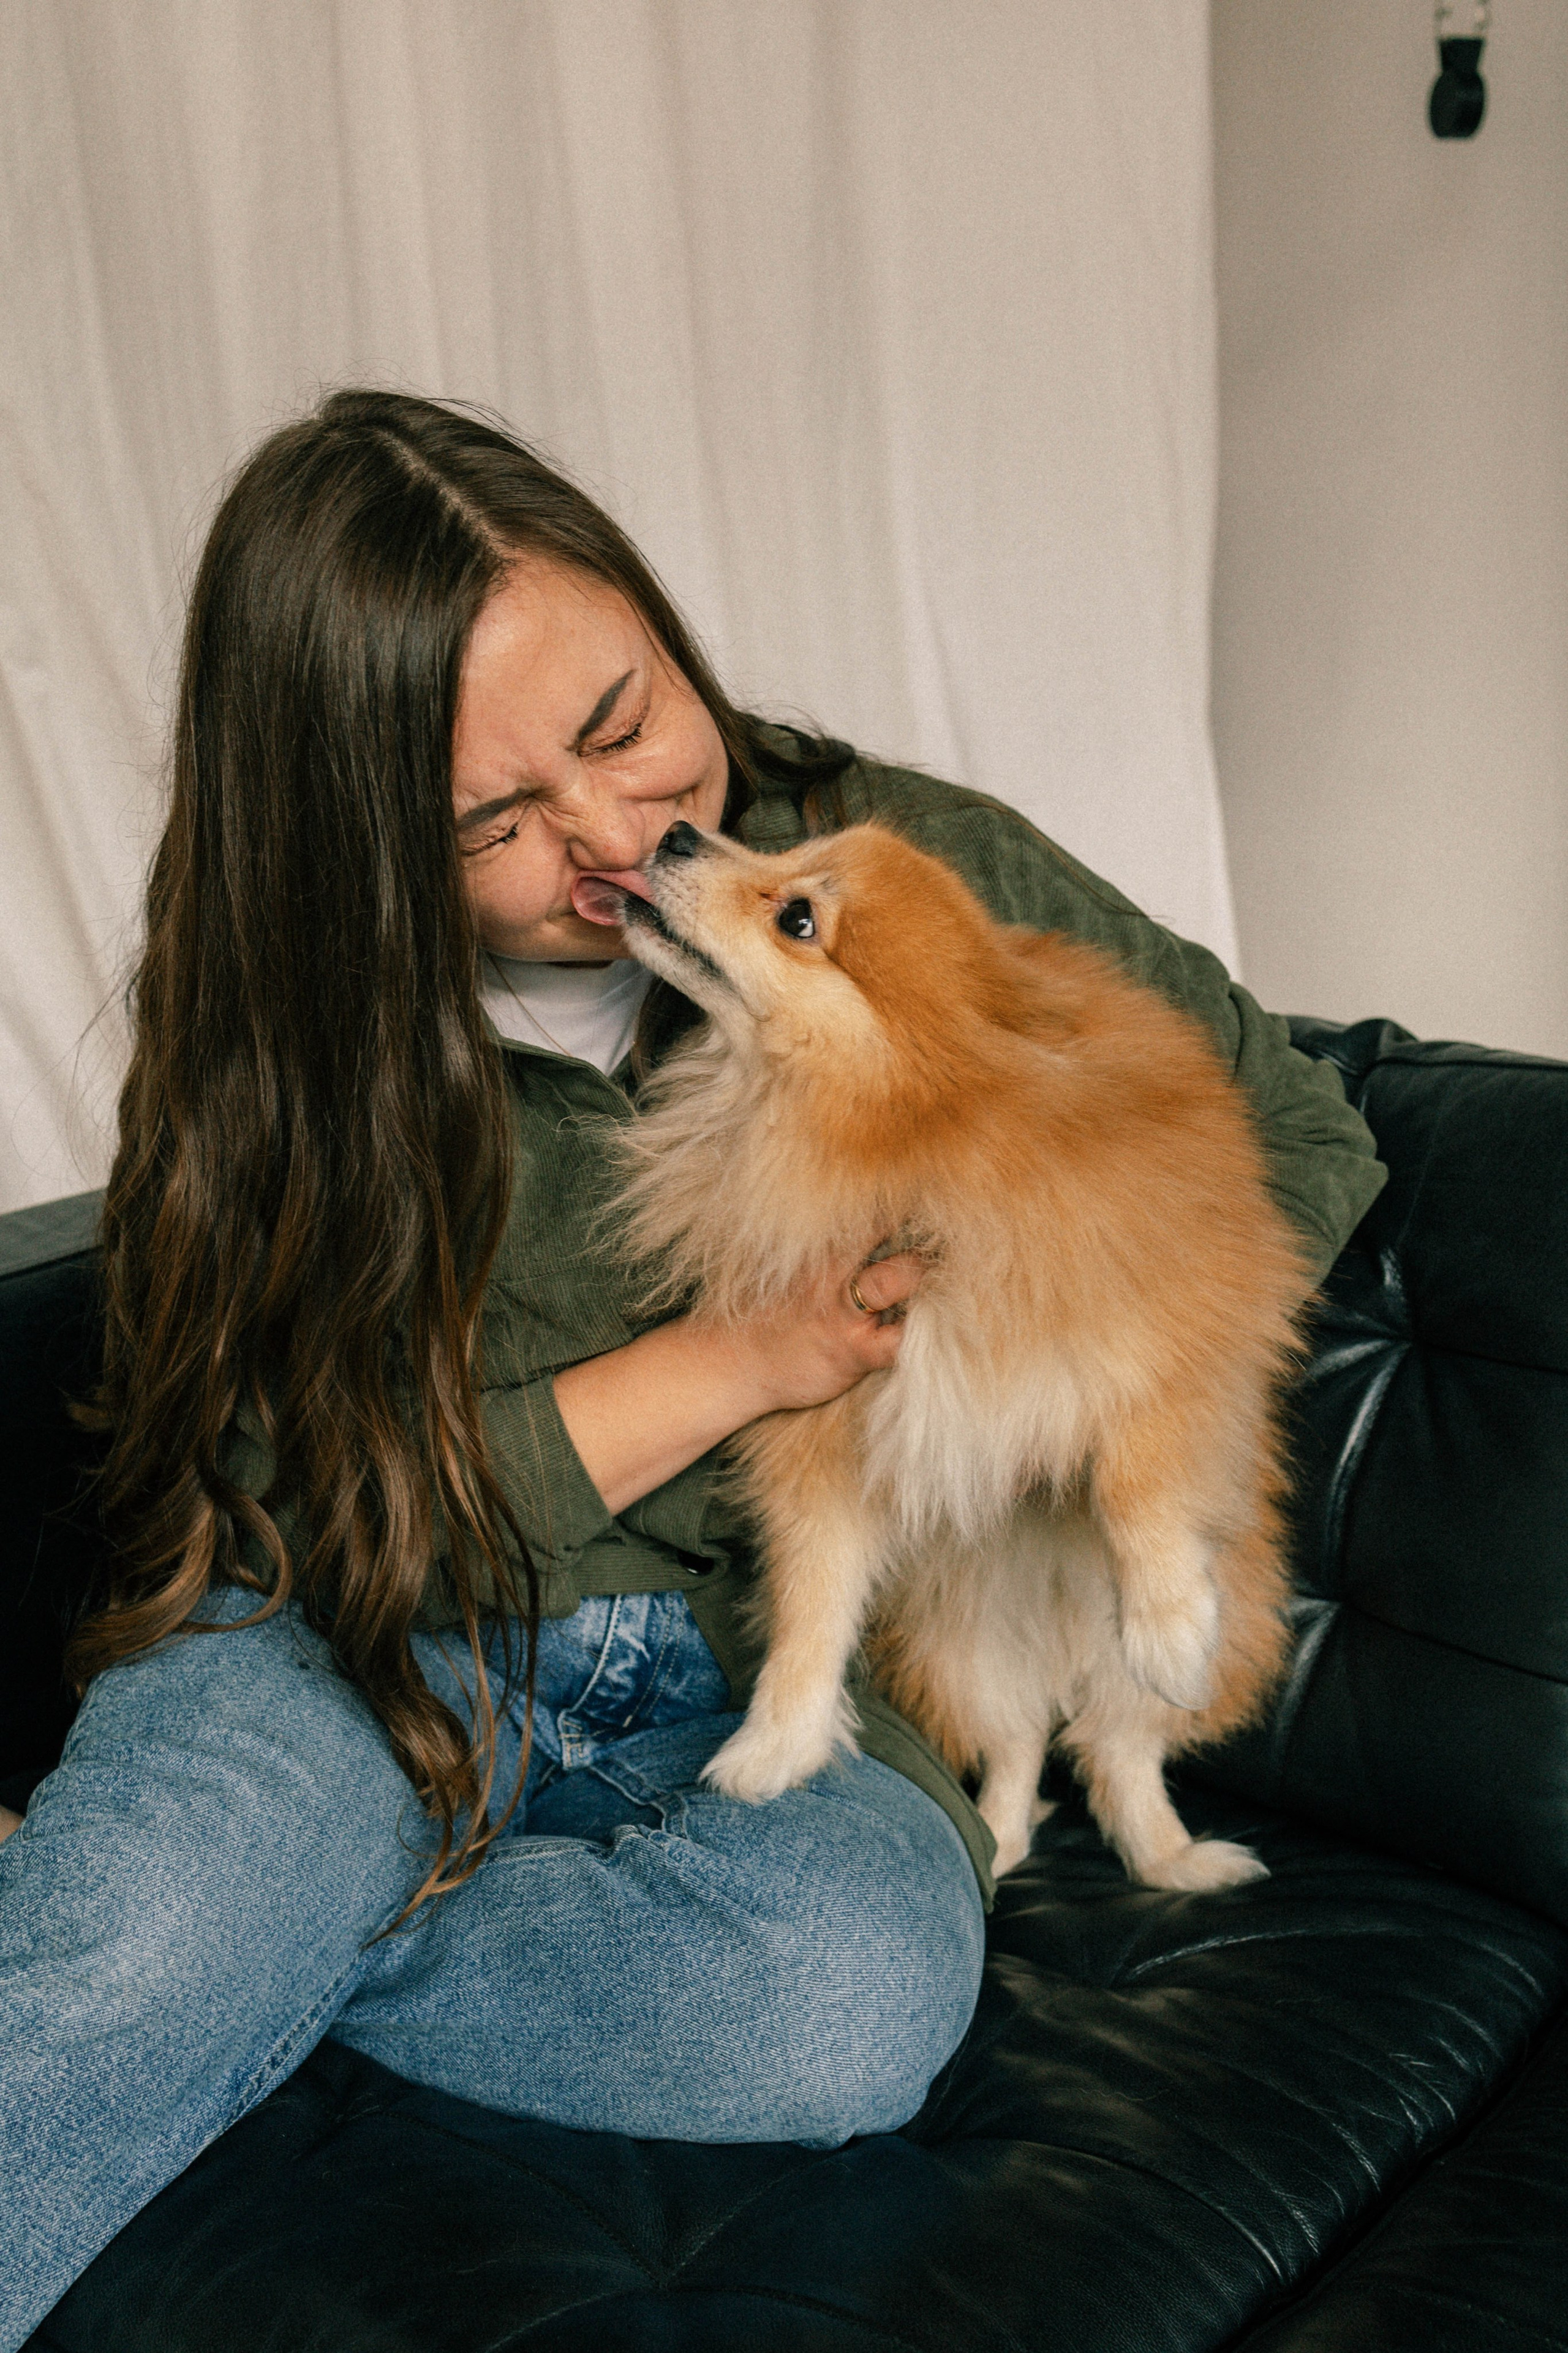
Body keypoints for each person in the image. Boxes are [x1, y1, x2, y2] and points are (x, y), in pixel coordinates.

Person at [0, 390, 1385, 2347]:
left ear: (660, 626)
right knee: (106, 1979)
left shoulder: (900, 874)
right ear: (355, 853)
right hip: (374, 1644)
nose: (617, 839)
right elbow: (322, 1509)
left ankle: (239, 1937)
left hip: (772, 1665)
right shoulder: (285, 1049)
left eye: (622, 720)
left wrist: (1058, 1348)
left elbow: (1285, 1132)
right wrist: (743, 1356)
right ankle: (175, 1924)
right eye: (492, 823)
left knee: (839, 2011)